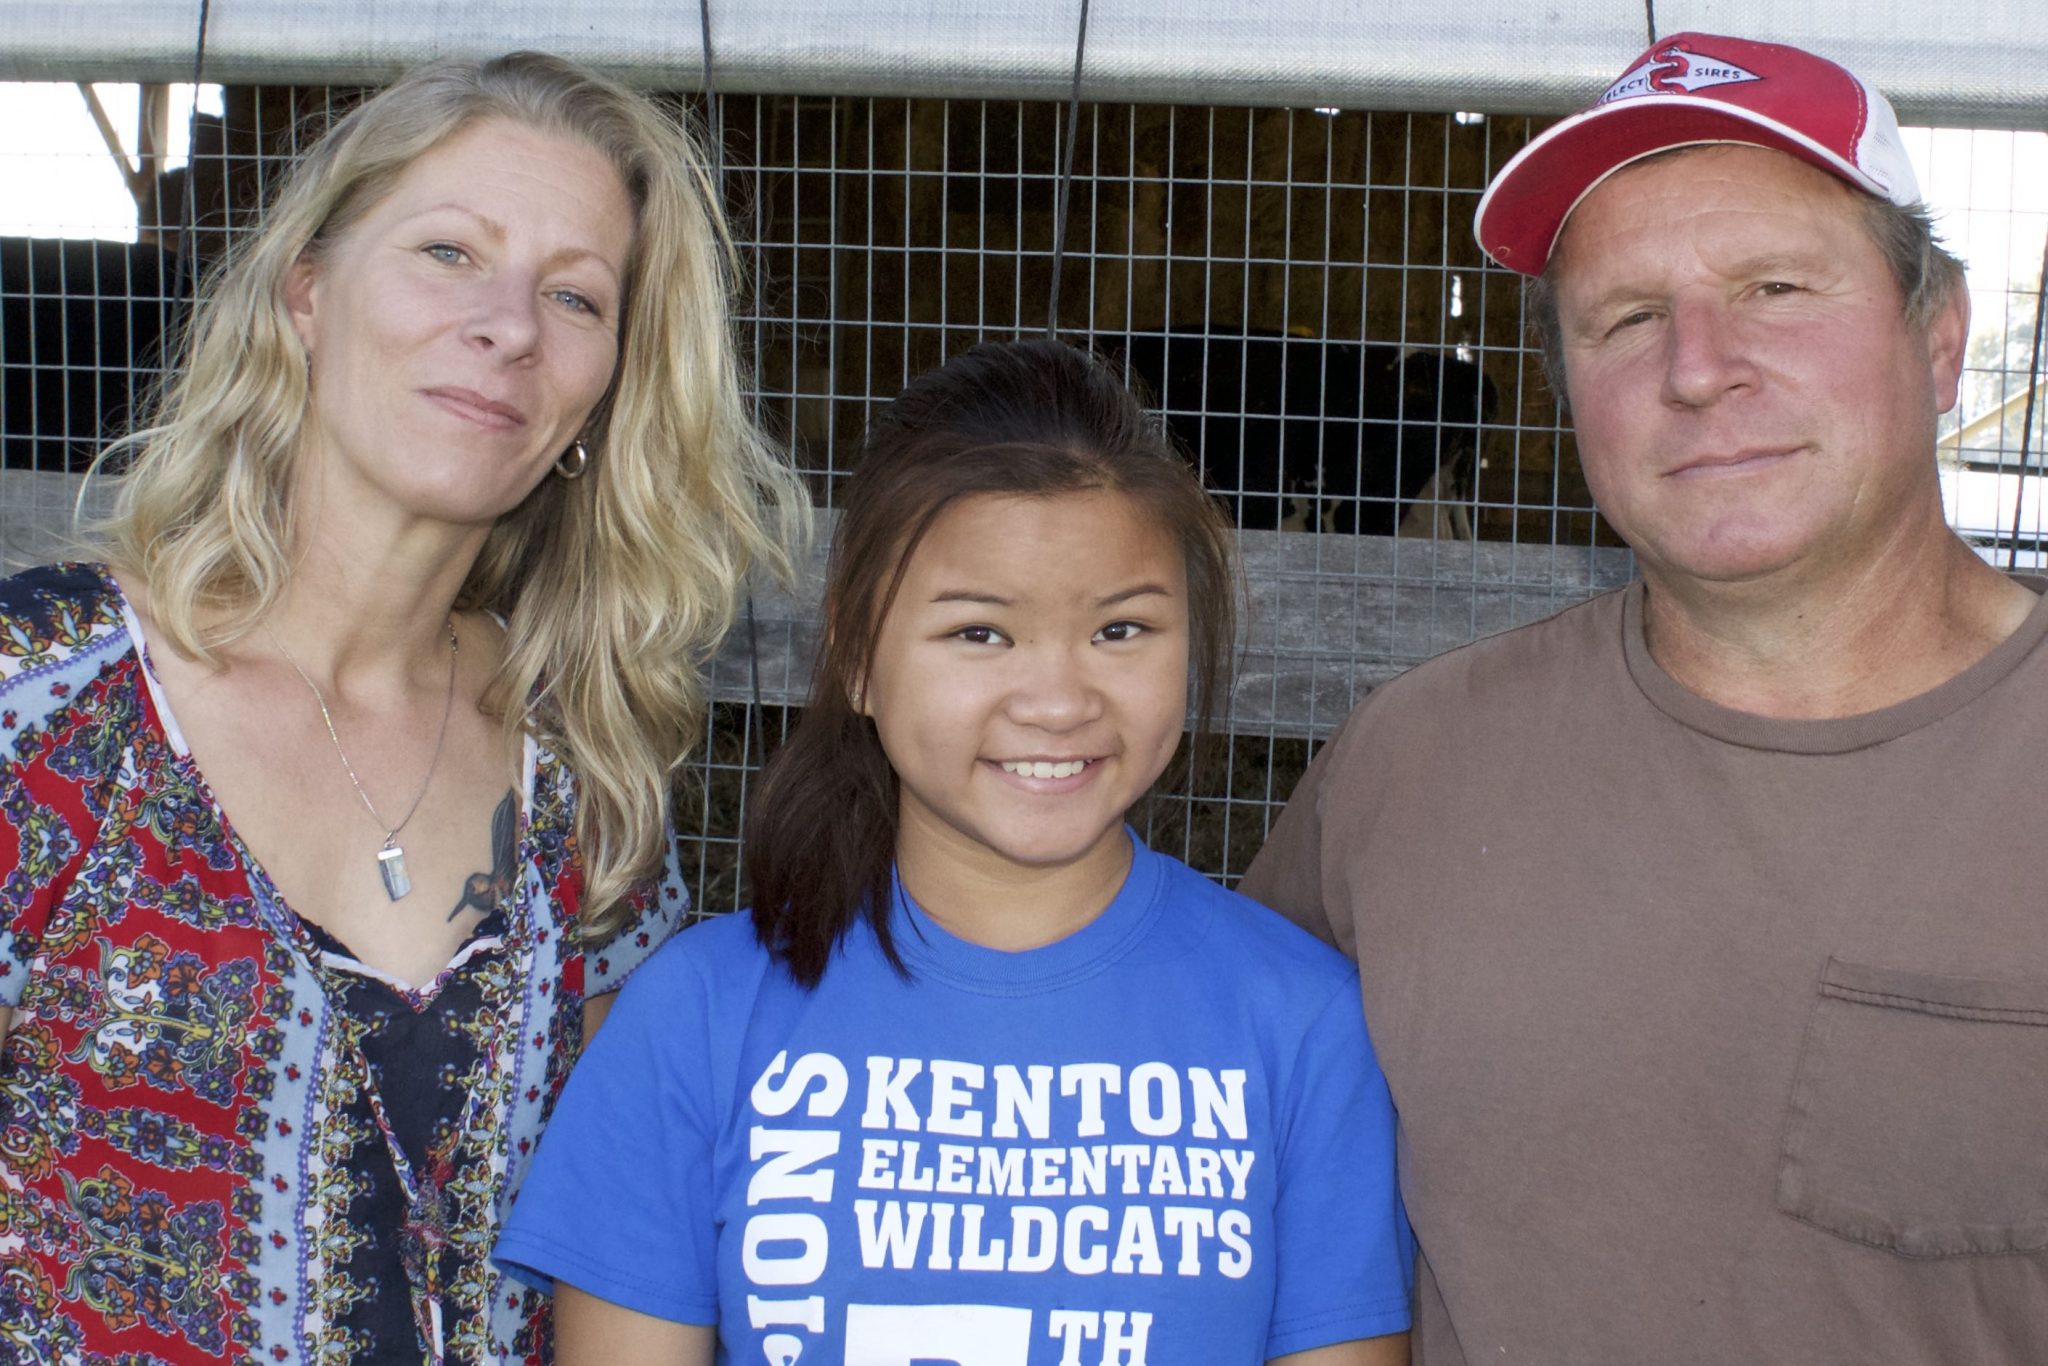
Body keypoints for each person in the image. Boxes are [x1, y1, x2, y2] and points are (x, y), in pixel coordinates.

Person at [1242, 30, 2048, 1364]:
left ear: (1941, 338)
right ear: (1570, 405)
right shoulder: (1414, 762)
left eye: (1777, 288)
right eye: (1625, 318)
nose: (1697, 366)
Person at [0, 52, 805, 1364]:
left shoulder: (582, 773)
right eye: (449, 252)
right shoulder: (42, 707)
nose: (509, 326)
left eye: (575, 294)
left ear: (603, 388)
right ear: (307, 292)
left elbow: (627, 1263)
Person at [493, 339, 1416, 1364]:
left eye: (1120, 631)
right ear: (854, 654)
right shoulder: (697, 1017)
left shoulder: (1303, 1022)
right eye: (979, 633)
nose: (1058, 701)